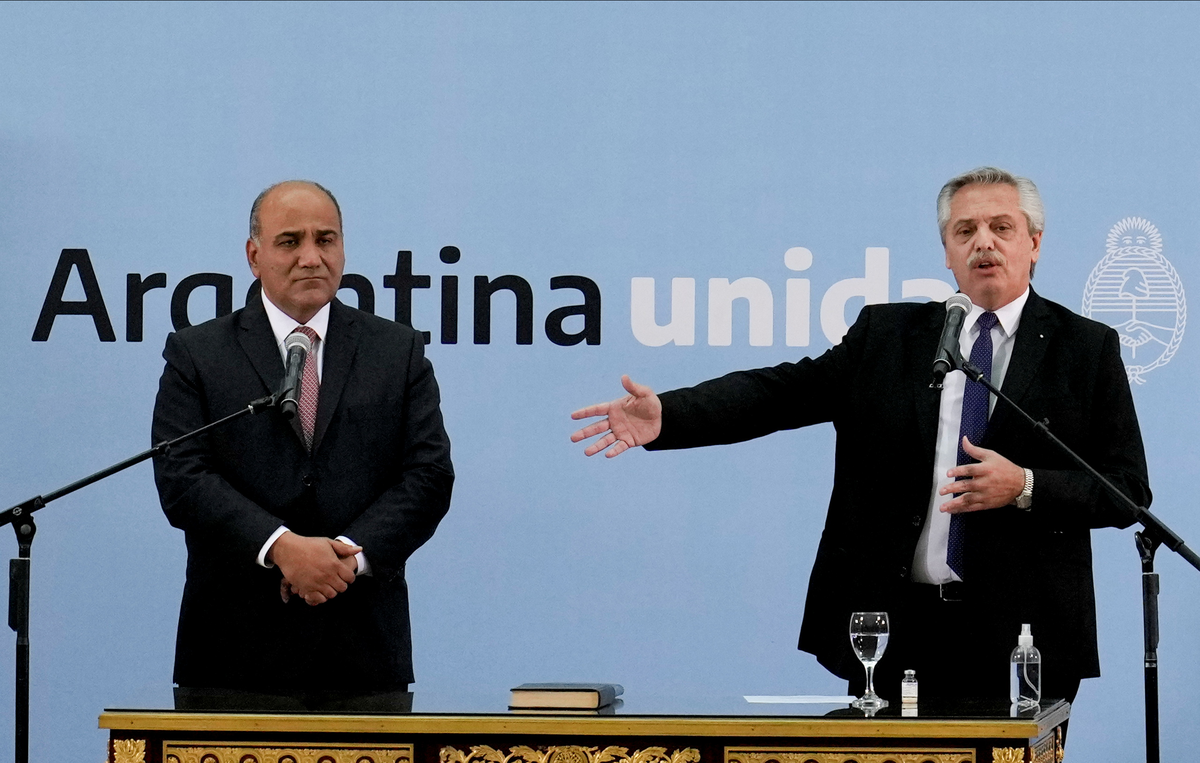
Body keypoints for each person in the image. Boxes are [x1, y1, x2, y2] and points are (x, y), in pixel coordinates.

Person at [571, 167, 1150, 705]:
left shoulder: (1086, 349)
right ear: (947, 251)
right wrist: (669, 415)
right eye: (964, 230)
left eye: (1002, 228)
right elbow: (779, 393)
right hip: (896, 634)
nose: (984, 242)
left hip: (1024, 639)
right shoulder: (888, 336)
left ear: (1035, 243)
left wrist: (1025, 485)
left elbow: (1126, 490)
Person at [152, 180, 453, 701]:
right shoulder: (197, 354)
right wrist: (282, 548)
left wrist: (344, 561)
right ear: (254, 255)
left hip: (363, 654)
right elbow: (182, 477)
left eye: (326, 239)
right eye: (290, 241)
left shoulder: (397, 350)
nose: (311, 257)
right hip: (232, 657)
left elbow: (428, 476)